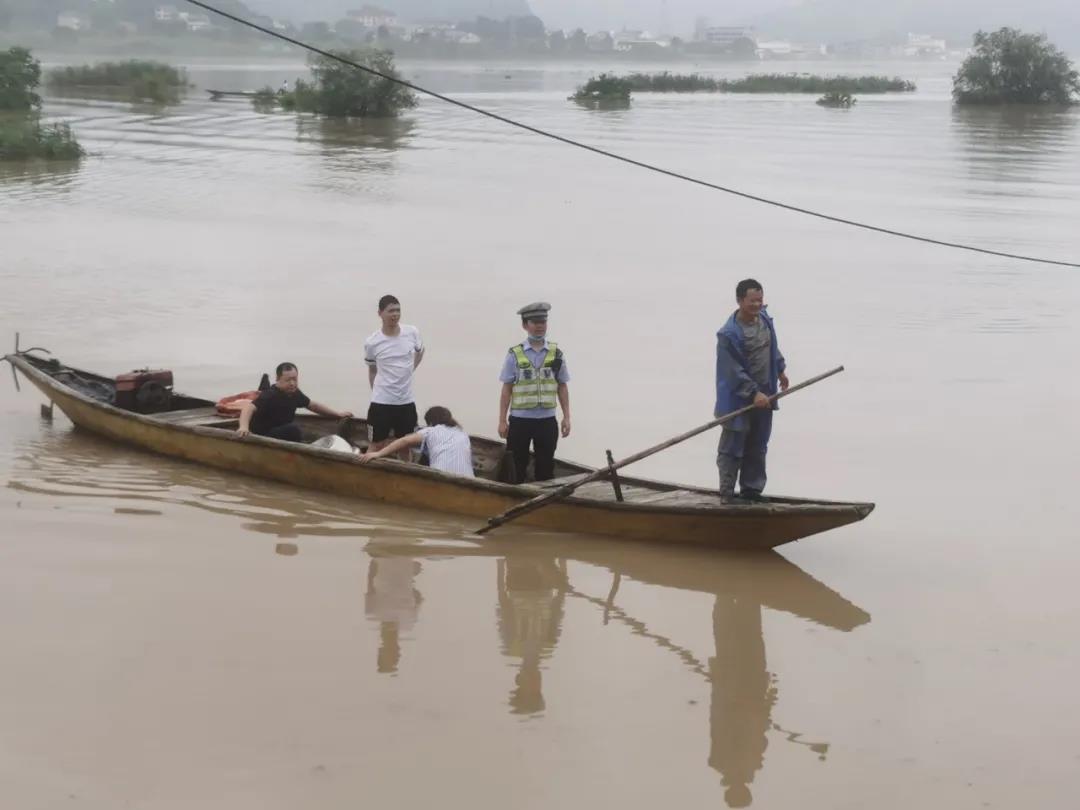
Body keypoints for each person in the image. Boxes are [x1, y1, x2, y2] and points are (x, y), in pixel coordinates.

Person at [715, 279, 789, 502]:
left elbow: (772, 348)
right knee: (732, 447)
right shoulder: (728, 334)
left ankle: (751, 491)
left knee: (758, 445)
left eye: (760, 300)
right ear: (740, 301)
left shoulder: (765, 320)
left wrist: (781, 370)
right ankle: (726, 494)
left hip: (766, 396)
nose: (757, 305)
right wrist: (753, 393)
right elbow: (733, 372)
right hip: (738, 400)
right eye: (752, 301)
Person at [497, 302, 571, 483]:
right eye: (535, 322)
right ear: (525, 325)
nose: (539, 326)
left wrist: (566, 417)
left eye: (543, 322)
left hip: (546, 421)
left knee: (546, 468)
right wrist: (502, 420)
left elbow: (562, 385)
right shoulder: (514, 354)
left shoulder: (556, 353)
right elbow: (507, 388)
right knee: (516, 466)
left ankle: (543, 506)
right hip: (520, 421)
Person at [364, 294, 424, 460]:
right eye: (390, 311)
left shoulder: (412, 332)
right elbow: (372, 370)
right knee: (377, 444)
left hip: (406, 402)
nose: (395, 314)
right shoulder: (372, 342)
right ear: (380, 313)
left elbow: (420, 352)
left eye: (398, 310)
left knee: (405, 446)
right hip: (381, 402)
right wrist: (376, 392)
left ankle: (406, 478)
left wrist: (410, 370)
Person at [236, 362, 353, 442]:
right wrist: (243, 427)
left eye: (295, 379)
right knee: (293, 430)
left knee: (292, 429)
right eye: (288, 380)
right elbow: (249, 407)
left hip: (279, 432)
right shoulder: (270, 394)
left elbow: (313, 406)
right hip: (262, 435)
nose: (292, 383)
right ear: (278, 379)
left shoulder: (294, 393)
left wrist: (337, 414)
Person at [358, 406, 475, 477]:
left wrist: (378, 453)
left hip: (441, 477)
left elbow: (404, 441)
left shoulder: (431, 431)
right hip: (469, 479)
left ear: (430, 422)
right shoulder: (463, 434)